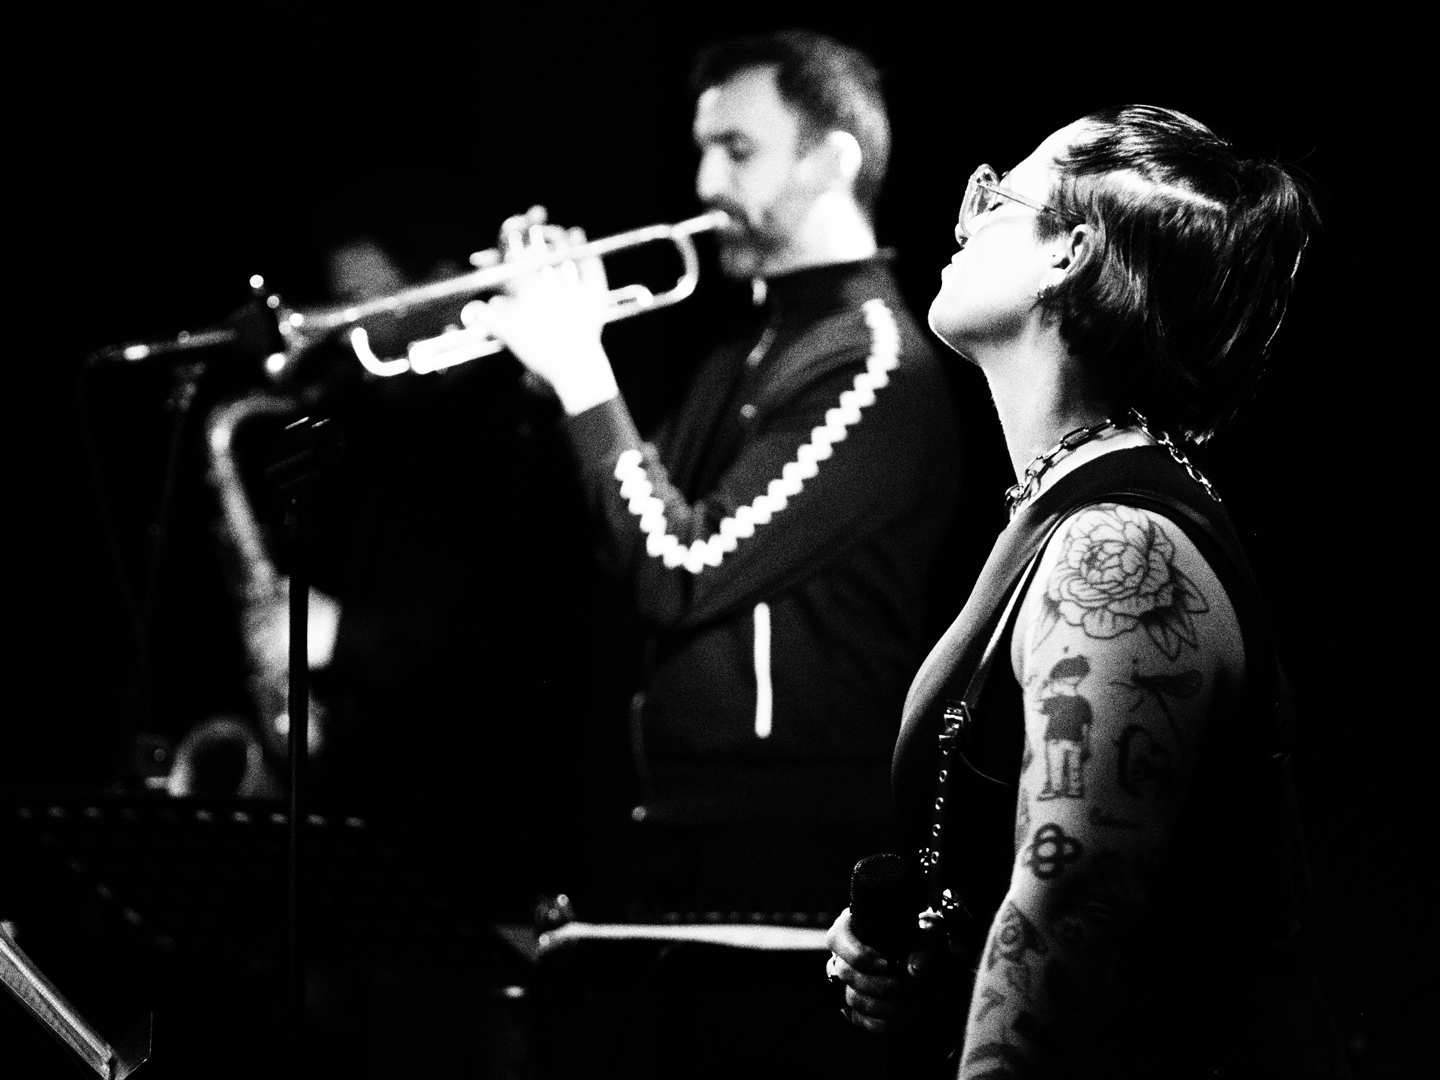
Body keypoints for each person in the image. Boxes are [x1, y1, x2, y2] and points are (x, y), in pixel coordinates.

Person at [472, 28, 961, 1077]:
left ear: (832, 159)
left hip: (786, 861)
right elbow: (627, 539)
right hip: (680, 837)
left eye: (738, 150)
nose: (704, 182)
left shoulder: (874, 362)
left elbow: (680, 568)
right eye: (702, 149)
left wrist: (582, 371)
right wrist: (553, 380)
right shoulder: (745, 350)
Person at [826, 105, 1351, 1077]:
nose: (963, 219)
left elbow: (1064, 914)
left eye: (995, 198)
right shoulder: (1072, 508)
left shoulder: (1121, 546)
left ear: (1068, 254)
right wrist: (948, 948)